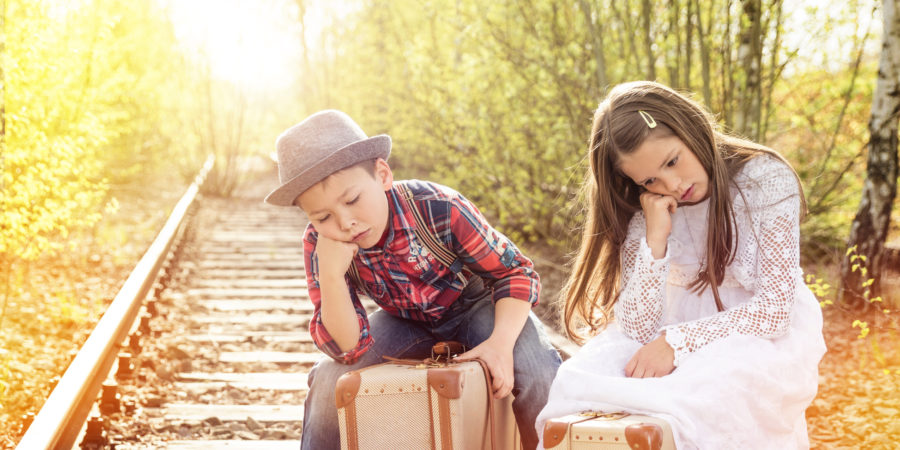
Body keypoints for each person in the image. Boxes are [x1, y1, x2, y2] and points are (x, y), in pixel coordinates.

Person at [535, 81, 826, 449]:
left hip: (758, 337)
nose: (672, 184)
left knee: (701, 395)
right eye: (650, 179)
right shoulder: (649, 207)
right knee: (580, 380)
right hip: (667, 332)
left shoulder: (763, 179)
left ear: (690, 129)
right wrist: (656, 238)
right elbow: (638, 328)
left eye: (672, 161)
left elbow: (774, 311)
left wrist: (677, 342)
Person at [264, 109, 562, 450]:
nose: (346, 222)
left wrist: (500, 344)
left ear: (382, 174)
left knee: (537, 370)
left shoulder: (439, 208)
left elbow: (514, 272)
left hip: (477, 306)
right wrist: (330, 276)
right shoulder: (321, 245)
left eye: (352, 200)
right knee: (328, 378)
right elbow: (349, 348)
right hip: (404, 321)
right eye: (323, 216)